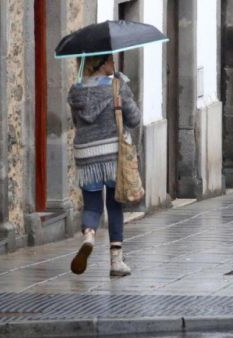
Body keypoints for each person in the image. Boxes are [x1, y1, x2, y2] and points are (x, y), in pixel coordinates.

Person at [67, 54, 141, 276]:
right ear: (100, 63)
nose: (114, 63)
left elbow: (75, 121)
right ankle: (116, 262)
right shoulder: (117, 86)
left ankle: (89, 235)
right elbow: (134, 119)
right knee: (114, 204)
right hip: (112, 155)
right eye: (110, 60)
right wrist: (125, 92)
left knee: (92, 206)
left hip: (86, 155)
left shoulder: (76, 90)